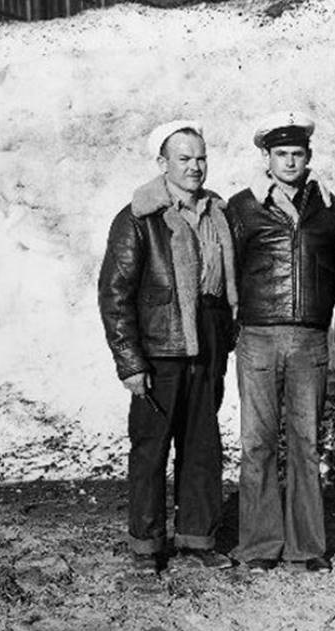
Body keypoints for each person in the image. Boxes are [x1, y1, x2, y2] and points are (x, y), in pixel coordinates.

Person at [98, 120, 237, 574]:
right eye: (184, 159)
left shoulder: (217, 212)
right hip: (159, 349)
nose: (195, 167)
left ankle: (198, 541)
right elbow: (115, 294)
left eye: (200, 158)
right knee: (151, 448)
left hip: (207, 345)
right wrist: (130, 363)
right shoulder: (137, 218)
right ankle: (147, 547)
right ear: (163, 164)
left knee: (201, 446)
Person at [225, 112, 335, 574]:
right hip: (257, 337)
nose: (290, 161)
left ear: (308, 157)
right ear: (267, 159)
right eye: (281, 154)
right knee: (257, 443)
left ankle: (306, 547)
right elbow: (228, 272)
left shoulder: (329, 207)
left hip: (310, 340)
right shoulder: (242, 207)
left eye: (297, 153)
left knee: (305, 442)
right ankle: (258, 546)